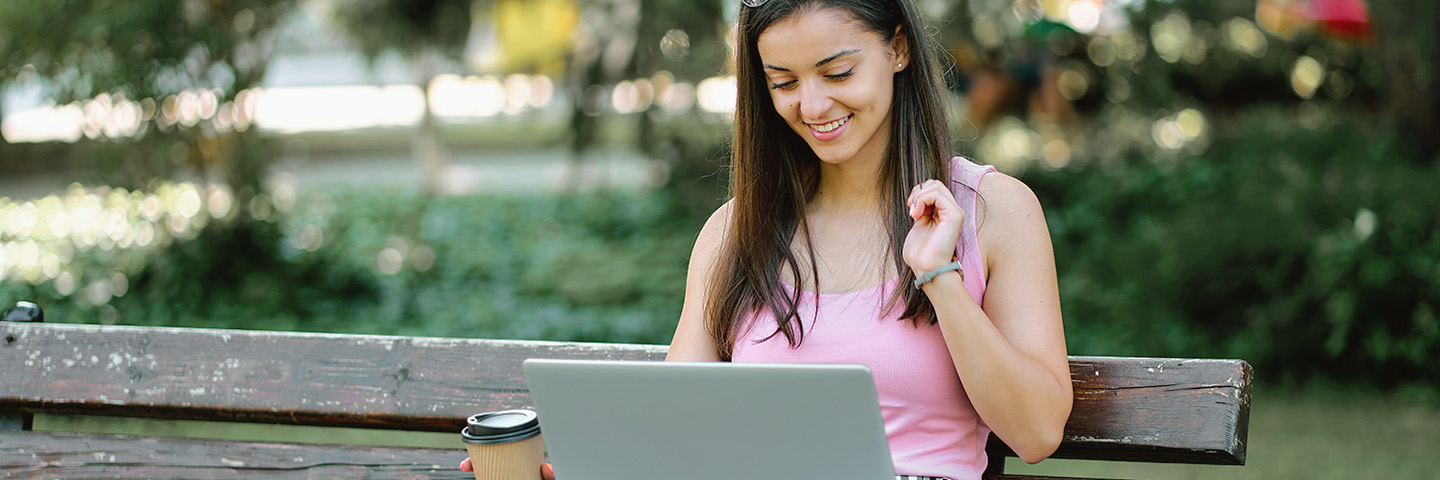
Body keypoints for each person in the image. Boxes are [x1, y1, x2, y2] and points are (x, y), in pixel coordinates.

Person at [464, 0, 1071, 478]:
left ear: (899, 48)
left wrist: (941, 281)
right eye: (782, 82)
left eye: (838, 71)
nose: (812, 104)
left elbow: (1038, 433)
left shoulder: (991, 211)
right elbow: (670, 434)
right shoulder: (734, 233)